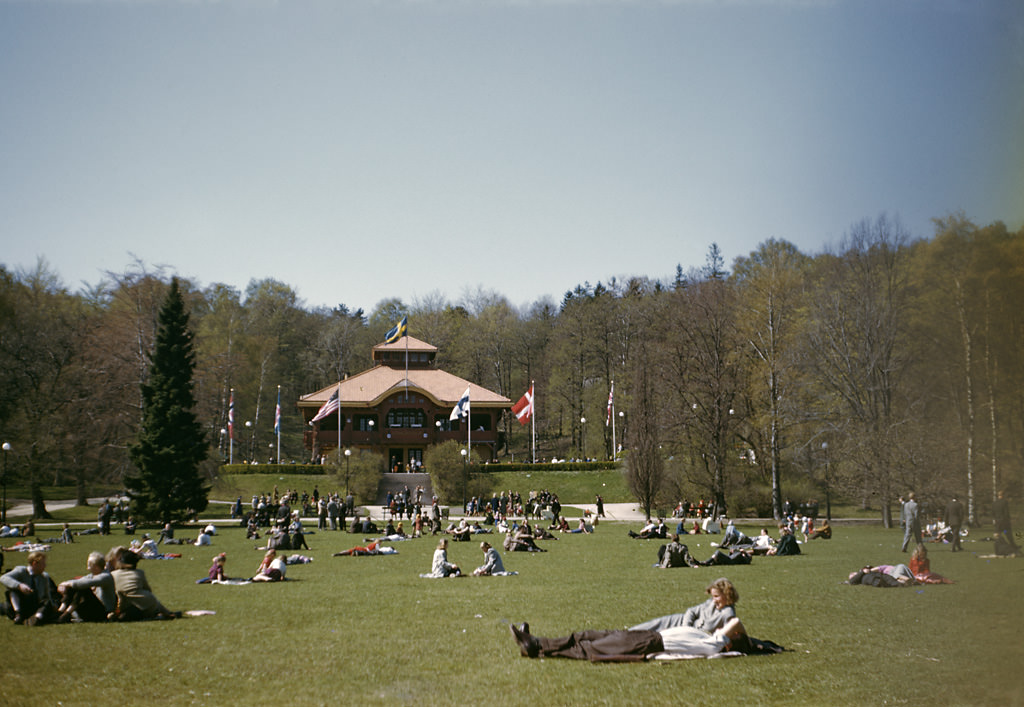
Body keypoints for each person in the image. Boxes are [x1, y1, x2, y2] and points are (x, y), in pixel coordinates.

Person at [509, 616, 747, 661]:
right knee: (586, 636)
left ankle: (536, 645)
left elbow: (735, 623)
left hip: (648, 643)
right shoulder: (707, 637)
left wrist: (740, 640)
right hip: (645, 636)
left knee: (589, 648)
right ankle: (534, 644)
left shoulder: (713, 646)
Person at [629, 577, 740, 634]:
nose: (714, 600)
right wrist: (686, 627)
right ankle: (624, 633)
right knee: (650, 625)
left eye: (717, 596)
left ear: (727, 594)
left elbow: (728, 635)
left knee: (652, 635)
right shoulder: (710, 603)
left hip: (687, 634)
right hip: (680, 621)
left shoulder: (728, 614)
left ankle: (621, 638)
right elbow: (691, 611)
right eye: (713, 596)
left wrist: (686, 632)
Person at [110, 550, 179, 620]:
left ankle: (160, 616)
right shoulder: (139, 572)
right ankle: (168, 613)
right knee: (154, 604)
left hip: (128, 603)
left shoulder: (113, 574)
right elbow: (147, 589)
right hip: (147, 600)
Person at [1, 550, 59, 625]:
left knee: (46, 602)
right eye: (43, 564)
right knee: (11, 590)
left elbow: (47, 595)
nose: (45, 566)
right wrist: (19, 585)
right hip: (18, 605)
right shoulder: (21, 570)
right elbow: (3, 578)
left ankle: (37, 618)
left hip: (33, 605)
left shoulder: (44, 577)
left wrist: (53, 605)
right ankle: (18, 614)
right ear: (35, 564)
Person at [56, 551, 116, 621]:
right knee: (77, 584)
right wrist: (65, 584)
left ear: (96, 566)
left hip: (104, 612)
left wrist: (68, 584)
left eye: (89, 565)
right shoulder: (93, 575)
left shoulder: (106, 577)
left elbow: (85, 583)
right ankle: (61, 610)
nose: (87, 568)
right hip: (94, 608)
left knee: (82, 586)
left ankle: (67, 613)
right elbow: (78, 581)